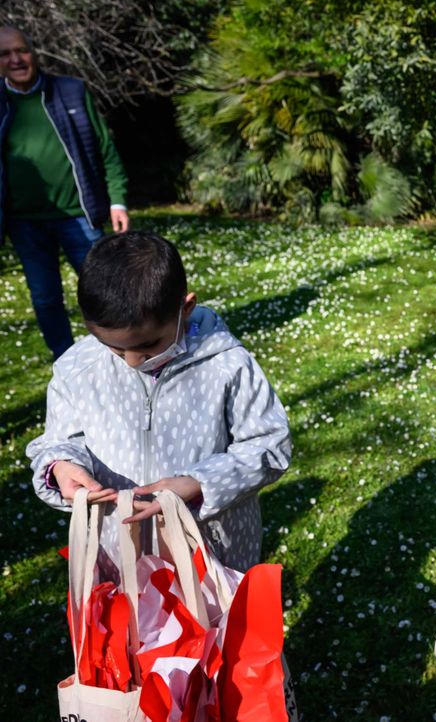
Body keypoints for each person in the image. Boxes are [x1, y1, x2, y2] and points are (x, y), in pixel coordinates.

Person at [26, 230, 291, 573]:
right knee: (133, 622)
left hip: (210, 546)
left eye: (148, 346)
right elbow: (60, 440)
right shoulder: (78, 369)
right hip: (120, 547)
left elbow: (270, 444)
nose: (132, 361)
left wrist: (199, 483)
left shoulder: (226, 364)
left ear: (186, 308)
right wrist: (61, 466)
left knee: (213, 623)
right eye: (115, 348)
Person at [0, 25, 130, 358]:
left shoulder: (70, 91)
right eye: (5, 54)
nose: (16, 59)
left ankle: (119, 353)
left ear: (34, 52)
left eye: (22, 50)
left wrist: (117, 200)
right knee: (45, 297)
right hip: (24, 223)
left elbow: (105, 149)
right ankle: (66, 361)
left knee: (105, 289)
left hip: (79, 215)